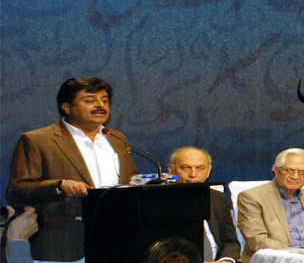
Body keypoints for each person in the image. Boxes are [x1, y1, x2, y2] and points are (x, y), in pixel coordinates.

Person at [5, 77, 139, 262]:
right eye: (90, 100)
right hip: (63, 245)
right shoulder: (37, 140)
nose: (100, 105)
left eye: (105, 100)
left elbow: (131, 180)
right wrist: (60, 186)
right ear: (67, 107)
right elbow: (16, 191)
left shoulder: (117, 138)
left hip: (116, 241)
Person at [236, 148, 304, 263]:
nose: (295, 176)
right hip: (275, 259)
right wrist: (298, 256)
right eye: (289, 170)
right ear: (276, 170)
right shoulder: (251, 197)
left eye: (302, 172)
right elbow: (257, 240)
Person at [168, 146, 241, 262]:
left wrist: (225, 261)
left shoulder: (217, 198)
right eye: (185, 168)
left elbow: (231, 242)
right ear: (171, 170)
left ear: (208, 171)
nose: (193, 174)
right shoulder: (161, 201)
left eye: (200, 168)